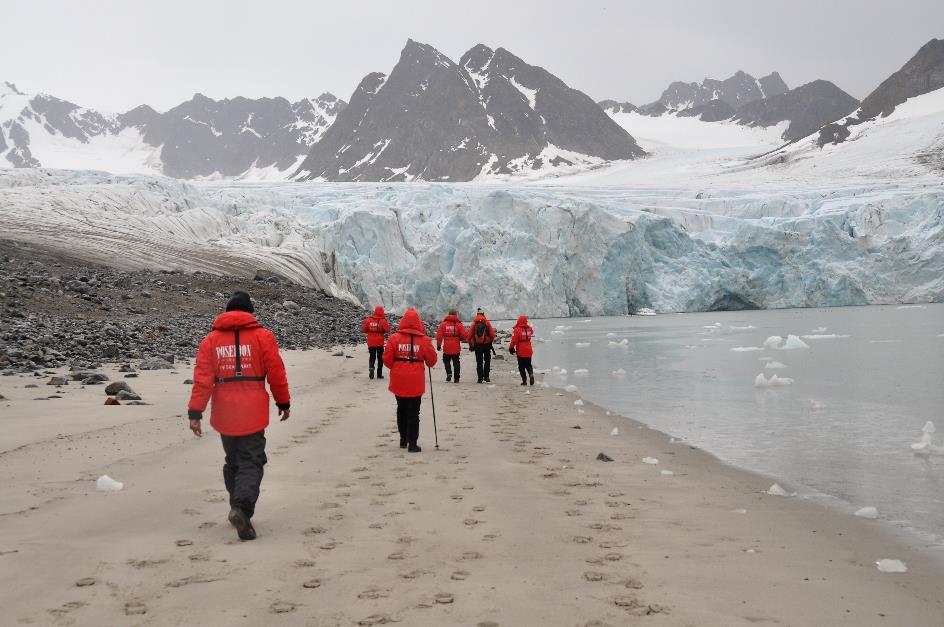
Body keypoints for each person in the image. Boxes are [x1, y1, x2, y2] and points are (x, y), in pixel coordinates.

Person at [187, 291, 290, 542]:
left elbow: (202, 379)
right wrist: (283, 401)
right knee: (252, 460)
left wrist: (195, 412)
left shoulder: (210, 340)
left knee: (233, 460)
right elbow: (276, 371)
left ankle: (236, 504)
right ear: (250, 312)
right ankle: (242, 508)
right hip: (253, 408)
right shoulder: (263, 337)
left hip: (224, 408)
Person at [382, 307, 437, 452]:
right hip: (416, 381)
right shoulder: (424, 340)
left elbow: (386, 360)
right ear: (419, 322)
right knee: (414, 412)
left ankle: (403, 439)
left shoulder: (394, 338)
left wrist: (398, 366)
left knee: (401, 409)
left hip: (399, 380)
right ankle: (412, 443)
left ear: (403, 321)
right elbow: (432, 361)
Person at [436, 308, 467, 383]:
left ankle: (449, 373)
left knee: (446, 360)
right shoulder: (459, 324)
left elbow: (439, 336)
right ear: (456, 314)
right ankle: (456, 378)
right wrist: (461, 338)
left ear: (448, 314)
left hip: (447, 346)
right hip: (456, 346)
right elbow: (464, 335)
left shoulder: (443, 324)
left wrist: (439, 345)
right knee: (456, 362)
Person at [467, 308, 496, 384]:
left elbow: (469, 336)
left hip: (477, 345)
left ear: (477, 315)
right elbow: (492, 335)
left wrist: (471, 344)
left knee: (479, 362)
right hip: (486, 345)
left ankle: (480, 378)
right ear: (483, 314)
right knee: (487, 360)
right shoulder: (487, 323)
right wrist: (490, 341)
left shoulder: (474, 324)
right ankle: (486, 376)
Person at [362, 306, 390, 380]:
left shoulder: (368, 320)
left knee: (372, 356)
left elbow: (364, 329)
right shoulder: (383, 321)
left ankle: (371, 367)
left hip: (371, 342)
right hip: (379, 342)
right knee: (380, 358)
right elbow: (387, 330)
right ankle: (379, 374)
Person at [508, 315, 535, 386]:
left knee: (521, 366)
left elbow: (514, 340)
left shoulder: (517, 329)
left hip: (521, 350)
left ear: (519, 321)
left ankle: (524, 381)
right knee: (528, 364)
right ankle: (531, 374)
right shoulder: (529, 328)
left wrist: (511, 347)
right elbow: (532, 332)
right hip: (529, 349)